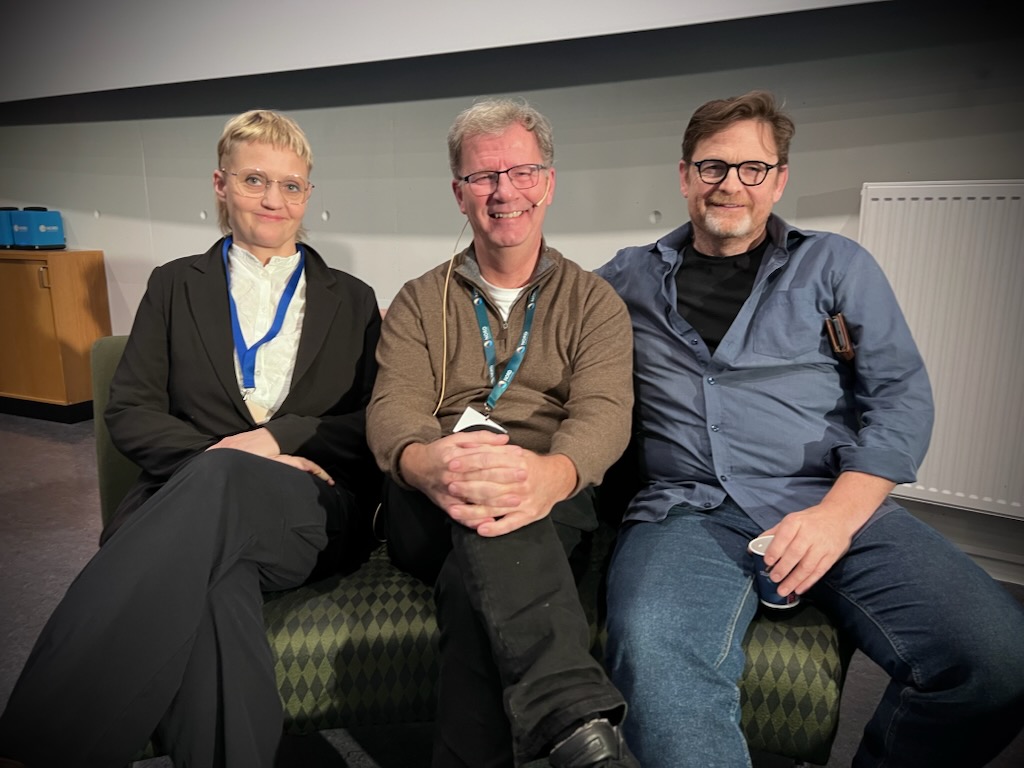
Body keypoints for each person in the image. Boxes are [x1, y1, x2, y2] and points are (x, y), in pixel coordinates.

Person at [596, 89, 1024, 767]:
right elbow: (542, 323)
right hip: (685, 511)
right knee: (659, 671)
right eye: (712, 166)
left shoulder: (836, 264)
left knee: (999, 661)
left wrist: (836, 517)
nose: (730, 184)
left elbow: (901, 396)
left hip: (829, 498)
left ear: (779, 179)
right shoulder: (626, 278)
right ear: (684, 176)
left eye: (753, 168)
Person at [0, 109, 382, 768]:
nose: (273, 199)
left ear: (308, 195)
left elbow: (373, 419)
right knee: (215, 593)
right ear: (220, 184)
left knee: (222, 490)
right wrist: (220, 457)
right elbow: (131, 411)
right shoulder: (174, 284)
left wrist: (276, 441)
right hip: (191, 501)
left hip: (307, 510)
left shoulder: (352, 297)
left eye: (291, 185)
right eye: (254, 179)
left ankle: (39, 743)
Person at [366, 97, 637, 768]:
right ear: (459, 193)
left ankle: (563, 726)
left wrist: (552, 474)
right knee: (487, 509)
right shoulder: (418, 300)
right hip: (431, 494)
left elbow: (604, 413)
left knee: (473, 589)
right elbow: (394, 407)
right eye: (483, 176)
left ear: (548, 182)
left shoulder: (594, 302)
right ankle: (571, 708)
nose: (503, 191)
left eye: (521, 172)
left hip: (547, 492)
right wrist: (424, 462)